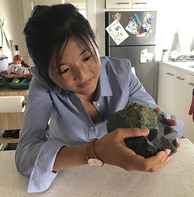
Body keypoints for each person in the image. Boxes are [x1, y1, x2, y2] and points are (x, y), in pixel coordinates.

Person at [15, 3, 184, 193]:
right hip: (68, 183)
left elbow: (168, 120)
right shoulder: (44, 84)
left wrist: (166, 132)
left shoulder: (121, 73)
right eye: (64, 69)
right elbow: (24, 157)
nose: (83, 75)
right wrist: (93, 152)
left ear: (95, 45)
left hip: (124, 183)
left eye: (86, 57)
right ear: (46, 73)